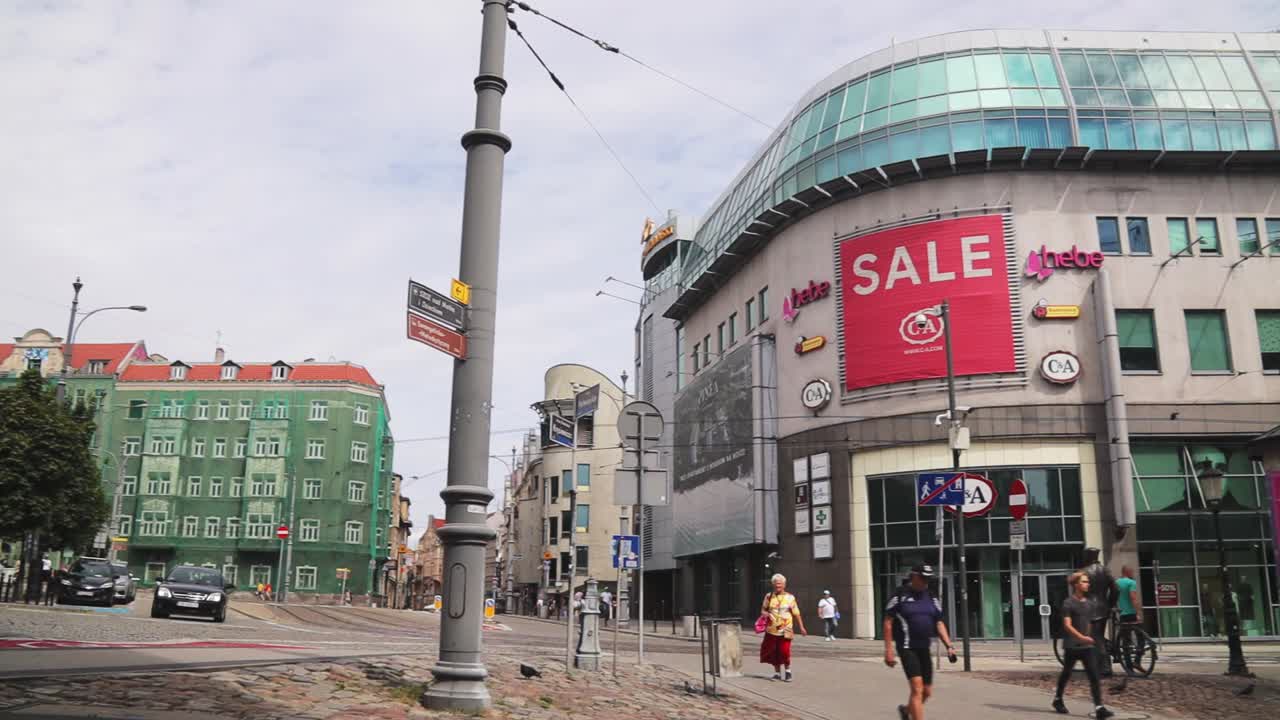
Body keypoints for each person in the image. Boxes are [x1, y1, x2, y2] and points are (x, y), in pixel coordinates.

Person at [883, 565, 956, 720]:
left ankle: (906, 711)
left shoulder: (931, 596)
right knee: (917, 689)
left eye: (928, 578)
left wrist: (949, 646)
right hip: (907, 647)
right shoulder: (900, 594)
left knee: (927, 692)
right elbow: (888, 622)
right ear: (913, 576)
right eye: (923, 578)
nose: (925, 581)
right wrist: (888, 650)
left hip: (924, 648)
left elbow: (939, 622)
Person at [1053, 572, 1115, 719]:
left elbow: (1090, 622)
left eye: (1087, 582)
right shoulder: (1068, 603)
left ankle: (1099, 707)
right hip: (1072, 646)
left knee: (1094, 676)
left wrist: (1095, 639)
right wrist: (1081, 637)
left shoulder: (1089, 603)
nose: (1087, 584)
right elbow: (1067, 625)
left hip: (1087, 647)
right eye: (1084, 582)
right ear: (1076, 585)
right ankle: (1057, 699)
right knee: (1066, 673)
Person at [759, 573, 806, 681]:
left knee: (784, 651)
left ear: (784, 585)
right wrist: (766, 614)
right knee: (774, 651)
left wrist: (802, 627)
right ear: (773, 585)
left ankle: (788, 671)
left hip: (786, 628)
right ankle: (777, 673)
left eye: (780, 584)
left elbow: (796, 613)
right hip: (772, 629)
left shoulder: (790, 597)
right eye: (776, 584)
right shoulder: (769, 596)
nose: (778, 586)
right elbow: (763, 610)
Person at [1079, 547, 1116, 676]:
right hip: (1103, 607)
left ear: (1088, 556)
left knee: (1097, 637)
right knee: (1098, 635)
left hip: (1090, 609)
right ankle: (1100, 664)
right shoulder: (1105, 570)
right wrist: (1111, 604)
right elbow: (1115, 588)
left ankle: (1105, 667)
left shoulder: (1084, 572)